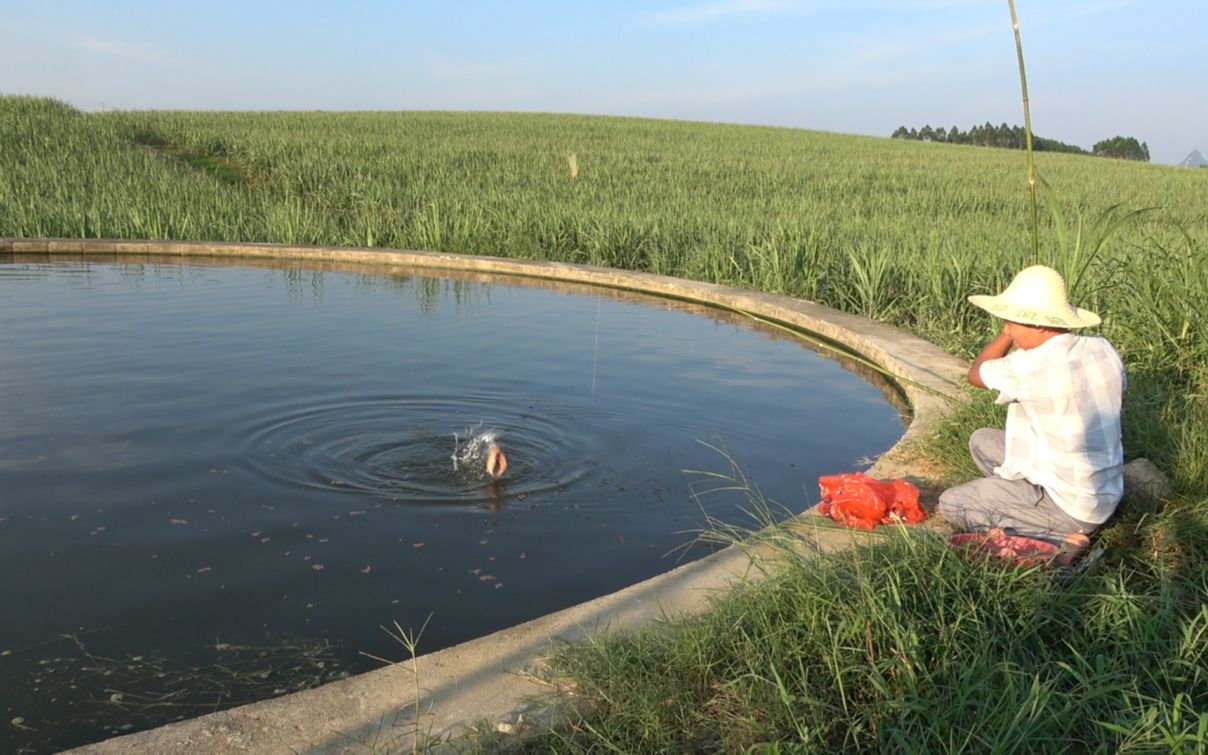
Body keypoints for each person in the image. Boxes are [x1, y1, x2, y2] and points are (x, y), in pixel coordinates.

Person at [936, 265, 1126, 564]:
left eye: (1011, 321)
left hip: (1070, 505)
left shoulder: (1029, 367)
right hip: (1104, 488)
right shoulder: (1102, 348)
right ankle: (1025, 506)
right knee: (981, 440)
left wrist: (1004, 337)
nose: (1007, 328)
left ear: (1038, 324)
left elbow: (976, 373)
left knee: (952, 504)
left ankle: (1058, 539)